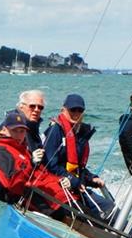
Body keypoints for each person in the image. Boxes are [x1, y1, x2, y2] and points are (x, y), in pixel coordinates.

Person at [43, 93, 115, 221]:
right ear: (63, 110)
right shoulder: (55, 131)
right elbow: (50, 165)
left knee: (111, 208)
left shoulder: (80, 134)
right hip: (59, 188)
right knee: (91, 216)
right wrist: (73, 180)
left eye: (80, 110)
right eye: (72, 110)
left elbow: (78, 167)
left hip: (76, 186)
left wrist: (90, 178)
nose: (76, 113)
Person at [0, 110, 68, 217]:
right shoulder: (0, 151)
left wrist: (60, 180)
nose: (19, 135)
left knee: (73, 201)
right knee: (66, 212)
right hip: (24, 198)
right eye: (15, 131)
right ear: (4, 130)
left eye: (22, 131)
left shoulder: (22, 149)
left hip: (36, 193)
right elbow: (12, 183)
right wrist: (31, 163)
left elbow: (40, 174)